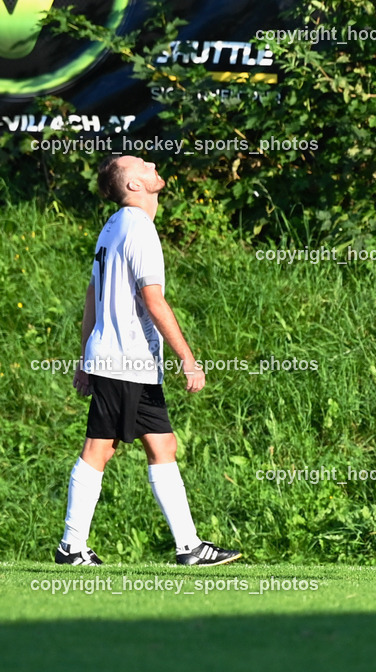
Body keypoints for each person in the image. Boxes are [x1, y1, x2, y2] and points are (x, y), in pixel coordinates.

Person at [55, 154, 241, 567]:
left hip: (123, 361)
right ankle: (71, 546)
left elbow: (92, 294)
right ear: (133, 186)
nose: (152, 163)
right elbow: (153, 300)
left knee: (163, 445)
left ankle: (188, 547)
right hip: (127, 361)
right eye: (141, 164)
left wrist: (85, 355)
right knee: (98, 450)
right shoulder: (137, 228)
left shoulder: (114, 225)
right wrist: (188, 359)